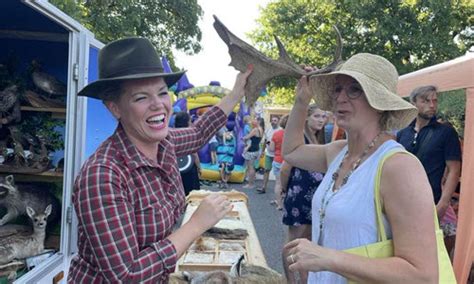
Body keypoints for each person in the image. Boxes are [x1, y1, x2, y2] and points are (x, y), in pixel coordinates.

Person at [68, 37, 252, 283]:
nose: (158, 105)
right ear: (115, 108)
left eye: (162, 93)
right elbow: (126, 276)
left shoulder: (164, 143)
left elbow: (198, 134)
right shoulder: (103, 176)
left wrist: (237, 92)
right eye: (141, 97)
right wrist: (197, 223)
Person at [283, 53, 438, 283]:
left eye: (354, 89)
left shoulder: (398, 166)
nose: (340, 99)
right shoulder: (337, 152)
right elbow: (292, 151)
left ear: (379, 103)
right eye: (337, 89)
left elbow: (423, 276)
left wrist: (329, 258)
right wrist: (301, 100)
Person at [396, 85, 461, 256]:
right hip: (403, 204)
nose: (432, 105)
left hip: (434, 202)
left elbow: (454, 169)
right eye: (425, 101)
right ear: (413, 103)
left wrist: (443, 204)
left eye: (434, 100)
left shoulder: (445, 132)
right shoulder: (403, 133)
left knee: (439, 256)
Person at [280, 104, 327, 283]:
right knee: (293, 243)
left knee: (308, 242)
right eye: (317, 116)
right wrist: (286, 191)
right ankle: (291, 280)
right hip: (299, 197)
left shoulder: (317, 139)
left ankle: (304, 279)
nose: (321, 120)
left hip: (314, 200)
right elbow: (285, 169)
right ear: (306, 117)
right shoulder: (301, 138)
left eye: (323, 117)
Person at [174, 111, 201, 195]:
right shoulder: (189, 134)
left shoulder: (172, 133)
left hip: (176, 168)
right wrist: (199, 167)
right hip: (189, 168)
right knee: (192, 194)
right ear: (187, 122)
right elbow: (194, 154)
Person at [268, 115, 288, 210]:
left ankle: (279, 204)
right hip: (289, 161)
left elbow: (271, 149)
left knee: (278, 183)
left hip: (277, 160)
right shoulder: (295, 135)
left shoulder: (276, 134)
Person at [257, 116, 280, 194]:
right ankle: (263, 187)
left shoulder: (280, 131)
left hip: (277, 155)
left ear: (278, 122)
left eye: (275, 120)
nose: (273, 122)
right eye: (272, 120)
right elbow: (265, 141)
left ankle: (279, 190)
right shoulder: (268, 130)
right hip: (268, 154)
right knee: (266, 170)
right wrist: (263, 151)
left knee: (278, 173)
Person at [242, 117, 263, 189]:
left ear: (258, 121)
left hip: (251, 150)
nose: (253, 121)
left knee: (250, 167)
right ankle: (252, 182)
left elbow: (246, 137)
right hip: (256, 149)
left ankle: (250, 184)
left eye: (254, 120)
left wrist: (243, 138)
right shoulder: (261, 129)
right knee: (252, 167)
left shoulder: (255, 129)